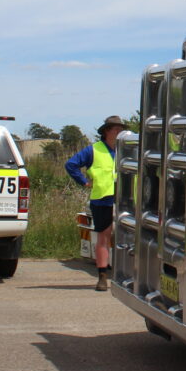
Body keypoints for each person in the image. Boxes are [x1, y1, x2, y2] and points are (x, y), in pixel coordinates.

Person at [65, 115, 126, 291]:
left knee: (128, 240)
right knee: (104, 237)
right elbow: (71, 165)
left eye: (121, 129)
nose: (119, 132)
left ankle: (125, 276)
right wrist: (84, 182)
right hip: (103, 199)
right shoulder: (94, 150)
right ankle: (102, 277)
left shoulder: (128, 149)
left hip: (126, 200)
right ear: (106, 131)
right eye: (116, 129)